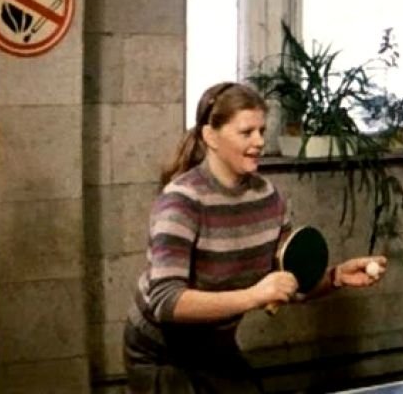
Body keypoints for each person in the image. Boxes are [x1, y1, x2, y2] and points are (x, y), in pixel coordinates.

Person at [123, 82, 387, 393]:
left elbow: (283, 282)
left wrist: (336, 276)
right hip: (160, 351)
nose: (259, 141)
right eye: (246, 132)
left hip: (215, 342)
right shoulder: (181, 201)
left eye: (261, 131)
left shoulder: (268, 198)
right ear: (210, 136)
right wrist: (253, 296)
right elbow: (166, 302)